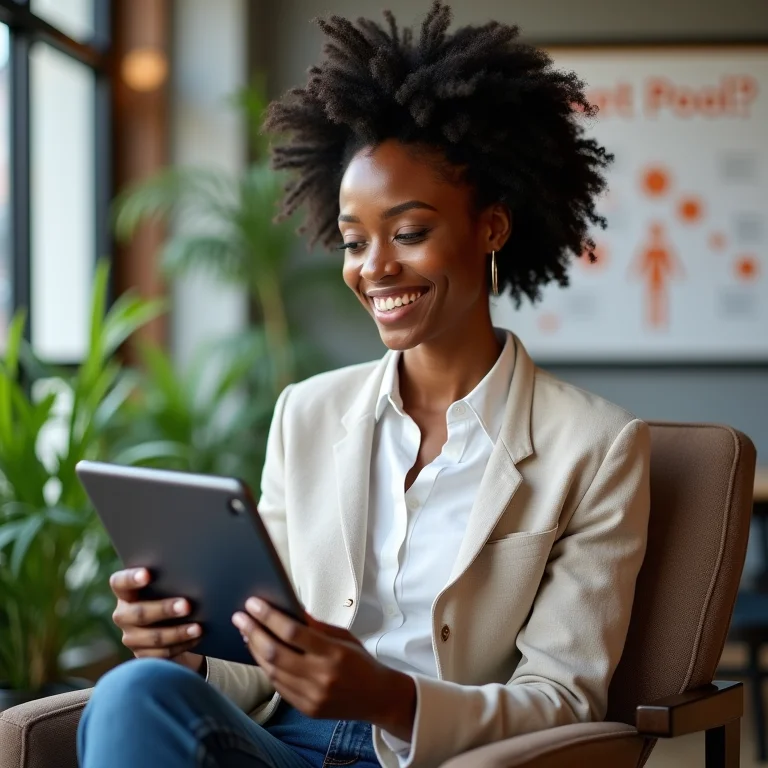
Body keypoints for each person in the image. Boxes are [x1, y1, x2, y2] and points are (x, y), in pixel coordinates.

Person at [77, 4, 650, 767]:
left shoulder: (596, 446)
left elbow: (566, 697)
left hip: (432, 753)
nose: (373, 268)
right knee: (134, 691)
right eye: (354, 241)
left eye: (409, 232)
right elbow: (258, 657)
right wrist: (187, 652)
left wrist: (387, 696)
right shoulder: (308, 413)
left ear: (492, 228)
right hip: (280, 745)